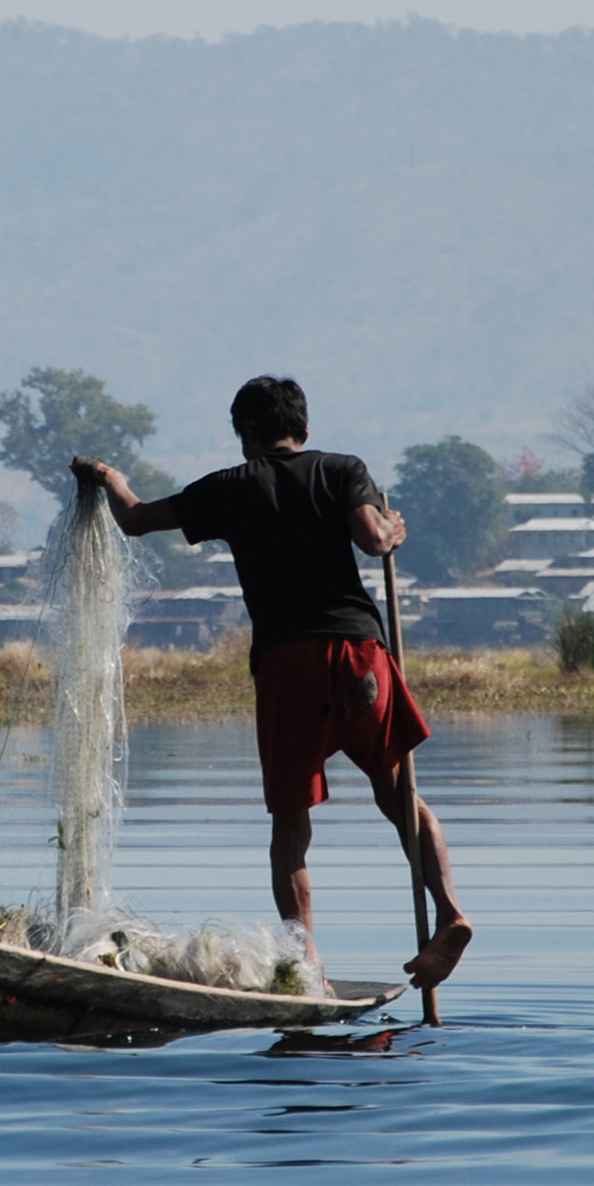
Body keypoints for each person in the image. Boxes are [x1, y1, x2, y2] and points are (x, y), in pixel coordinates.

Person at [83, 375, 471, 994]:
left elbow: (133, 520)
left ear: (249, 434)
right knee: (399, 796)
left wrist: (108, 478)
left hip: (288, 661)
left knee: (290, 829)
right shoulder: (342, 469)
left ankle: (305, 965)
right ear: (304, 428)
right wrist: (394, 531)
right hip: (359, 655)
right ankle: (450, 913)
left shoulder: (230, 488)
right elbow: (374, 539)